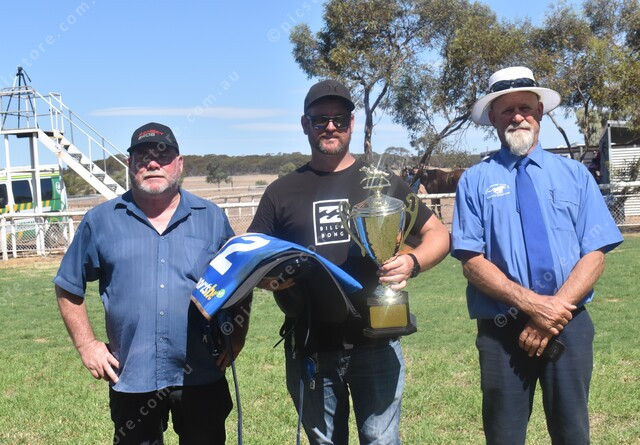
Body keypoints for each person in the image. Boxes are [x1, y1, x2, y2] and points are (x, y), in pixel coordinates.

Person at [248, 79, 450, 444]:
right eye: (320, 119)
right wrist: (271, 279)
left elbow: (438, 234)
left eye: (339, 119)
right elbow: (253, 257)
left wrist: (412, 262)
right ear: (305, 124)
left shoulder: (382, 183)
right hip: (311, 343)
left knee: (381, 441)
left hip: (378, 340)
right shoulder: (280, 192)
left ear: (351, 124)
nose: (330, 127)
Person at [451, 67, 624, 445]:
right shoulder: (475, 181)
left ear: (540, 112)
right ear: (493, 118)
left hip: (568, 324)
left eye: (525, 108)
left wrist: (552, 312)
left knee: (572, 432)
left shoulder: (575, 175)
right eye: (507, 110)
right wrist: (533, 305)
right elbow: (472, 262)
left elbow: (595, 254)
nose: (517, 117)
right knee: (504, 435)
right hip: (502, 329)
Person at [54, 122, 249, 445]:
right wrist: (87, 345)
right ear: (130, 164)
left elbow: (240, 280)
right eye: (143, 157)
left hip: (201, 373)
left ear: (179, 163)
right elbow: (67, 285)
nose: (153, 163)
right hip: (132, 375)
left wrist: (237, 335)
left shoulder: (211, 218)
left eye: (163, 155)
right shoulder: (101, 221)